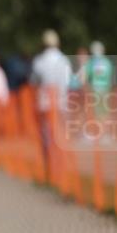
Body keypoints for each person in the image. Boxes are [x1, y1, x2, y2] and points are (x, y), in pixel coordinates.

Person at [30, 29, 72, 173]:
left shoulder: (39, 60)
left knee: (46, 132)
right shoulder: (64, 60)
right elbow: (68, 82)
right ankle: (60, 161)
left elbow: (34, 82)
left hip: (45, 101)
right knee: (59, 131)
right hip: (61, 100)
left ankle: (49, 161)